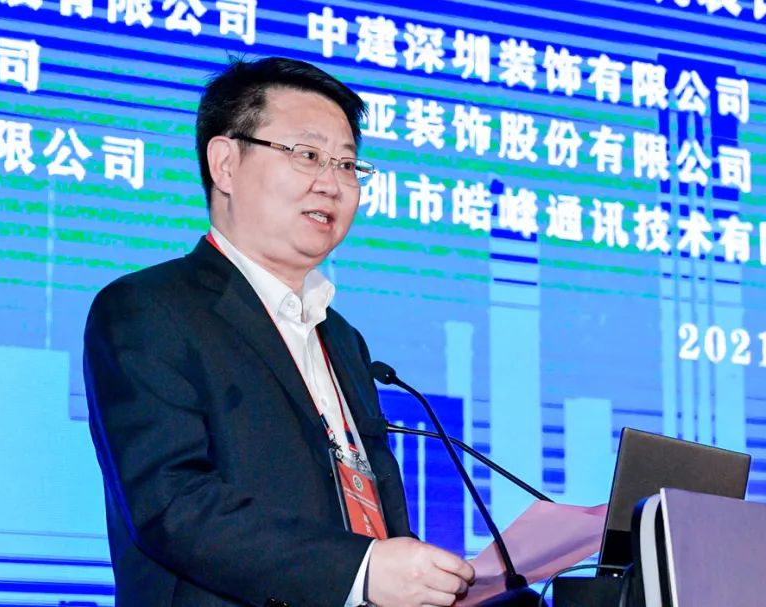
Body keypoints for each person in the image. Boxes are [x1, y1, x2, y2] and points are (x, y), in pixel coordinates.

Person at [83, 57, 475, 607]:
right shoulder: (149, 308)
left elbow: (374, 520)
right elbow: (173, 504)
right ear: (225, 164)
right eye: (307, 155)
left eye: (348, 164)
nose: (332, 184)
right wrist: (360, 570)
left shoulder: (344, 339)